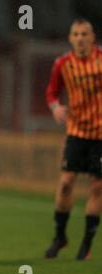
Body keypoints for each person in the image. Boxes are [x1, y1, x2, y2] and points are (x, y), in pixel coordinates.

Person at [45, 18, 102, 260]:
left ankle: (86, 244)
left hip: (100, 134)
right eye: (75, 34)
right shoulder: (62, 64)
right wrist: (56, 107)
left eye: (84, 34)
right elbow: (52, 92)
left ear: (92, 37)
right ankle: (61, 236)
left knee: (97, 187)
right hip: (76, 132)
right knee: (66, 182)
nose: (80, 38)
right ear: (70, 38)